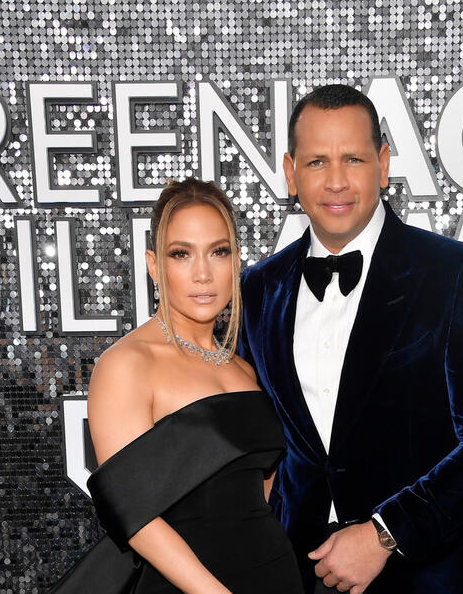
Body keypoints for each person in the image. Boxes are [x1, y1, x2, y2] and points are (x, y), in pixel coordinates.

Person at [238, 85, 463, 593]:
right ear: (290, 172)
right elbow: (254, 435)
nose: (336, 181)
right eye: (316, 162)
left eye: (353, 158)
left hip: (418, 574)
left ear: (384, 164)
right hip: (291, 573)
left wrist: (385, 533)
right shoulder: (259, 288)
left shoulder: (454, 273)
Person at [48, 178, 303, 594]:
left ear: (236, 261)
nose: (203, 273)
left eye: (218, 252)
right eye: (181, 254)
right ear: (154, 265)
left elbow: (257, 491)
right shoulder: (127, 364)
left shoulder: (243, 369)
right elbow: (134, 516)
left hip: (275, 575)